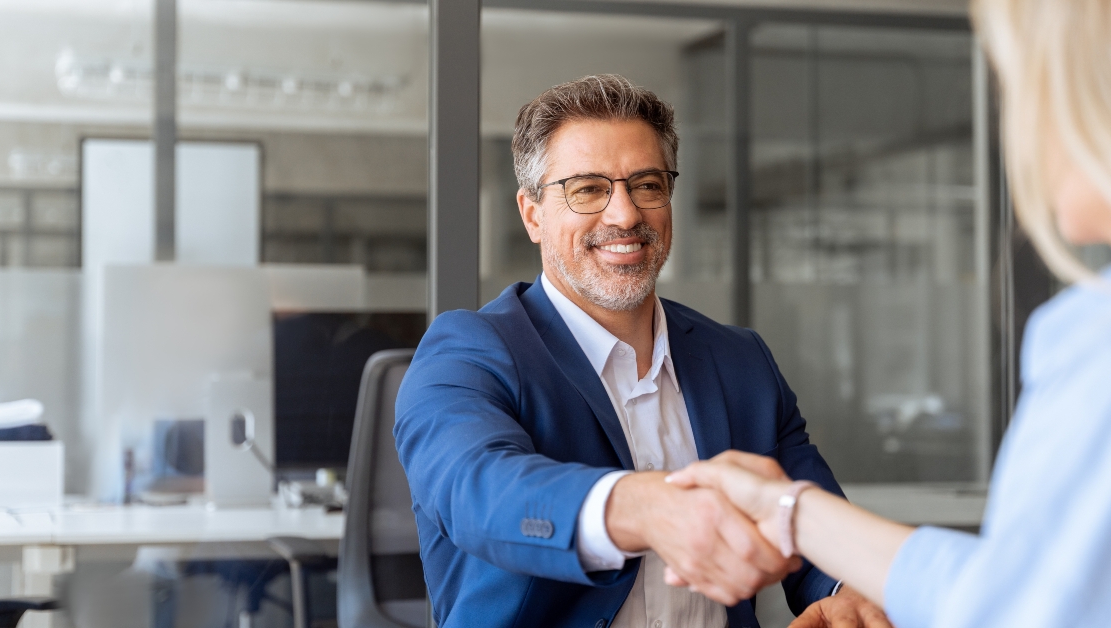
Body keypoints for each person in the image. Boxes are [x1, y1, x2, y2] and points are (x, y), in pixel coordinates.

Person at [665, 1, 1111, 626]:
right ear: (531, 213)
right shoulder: (487, 347)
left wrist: (806, 540)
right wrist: (786, 509)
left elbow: (1016, 607)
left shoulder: (1094, 337)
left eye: (1021, 83)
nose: (1022, 127)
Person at [394, 75, 888, 627]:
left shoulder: (741, 360)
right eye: (587, 189)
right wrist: (643, 508)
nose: (625, 215)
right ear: (533, 214)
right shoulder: (467, 352)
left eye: (647, 185)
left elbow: (806, 512)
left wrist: (846, 588)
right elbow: (477, 492)